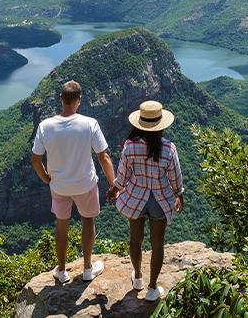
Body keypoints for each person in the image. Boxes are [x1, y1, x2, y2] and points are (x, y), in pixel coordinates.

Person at [31, 80, 116, 284]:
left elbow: (35, 160)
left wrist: (46, 179)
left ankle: (61, 271)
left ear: (61, 99)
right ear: (79, 100)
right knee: (88, 221)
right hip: (85, 185)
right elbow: (103, 157)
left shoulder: (45, 126)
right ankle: (87, 269)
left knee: (62, 227)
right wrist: (114, 185)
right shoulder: (89, 123)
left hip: (59, 186)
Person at [107, 100, 184, 301]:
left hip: (135, 198)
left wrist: (113, 191)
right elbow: (175, 178)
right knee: (157, 244)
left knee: (135, 240)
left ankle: (138, 277)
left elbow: (122, 178)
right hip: (160, 200)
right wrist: (179, 195)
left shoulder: (130, 147)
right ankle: (152, 288)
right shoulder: (169, 148)